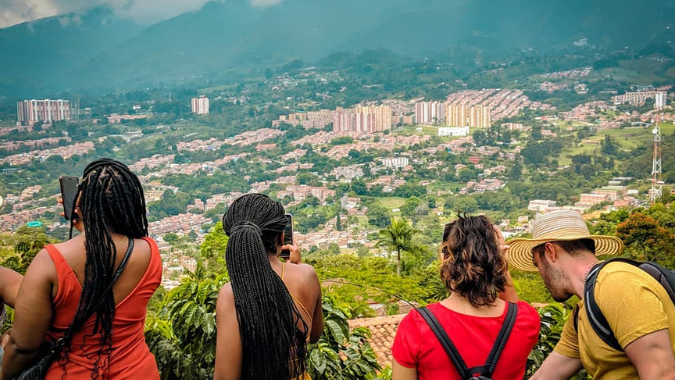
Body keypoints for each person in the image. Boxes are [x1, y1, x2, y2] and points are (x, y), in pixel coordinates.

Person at [1, 159, 162, 379]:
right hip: (139, 372)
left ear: (81, 205)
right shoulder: (150, 252)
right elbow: (104, 266)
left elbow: (23, 346)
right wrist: (89, 227)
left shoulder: (51, 261)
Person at [508, 210, 675, 380]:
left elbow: (662, 374)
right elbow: (544, 377)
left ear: (550, 252)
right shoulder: (582, 312)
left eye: (538, 264)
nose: (540, 274)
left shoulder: (616, 283)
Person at [392, 215, 540, 380]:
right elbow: (512, 311)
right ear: (496, 259)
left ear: (444, 259)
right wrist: (500, 264)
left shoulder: (417, 326)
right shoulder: (526, 319)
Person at [214, 194, 324, 380]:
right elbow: (313, 335)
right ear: (281, 237)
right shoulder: (307, 275)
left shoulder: (231, 293)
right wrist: (296, 266)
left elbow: (225, 376)